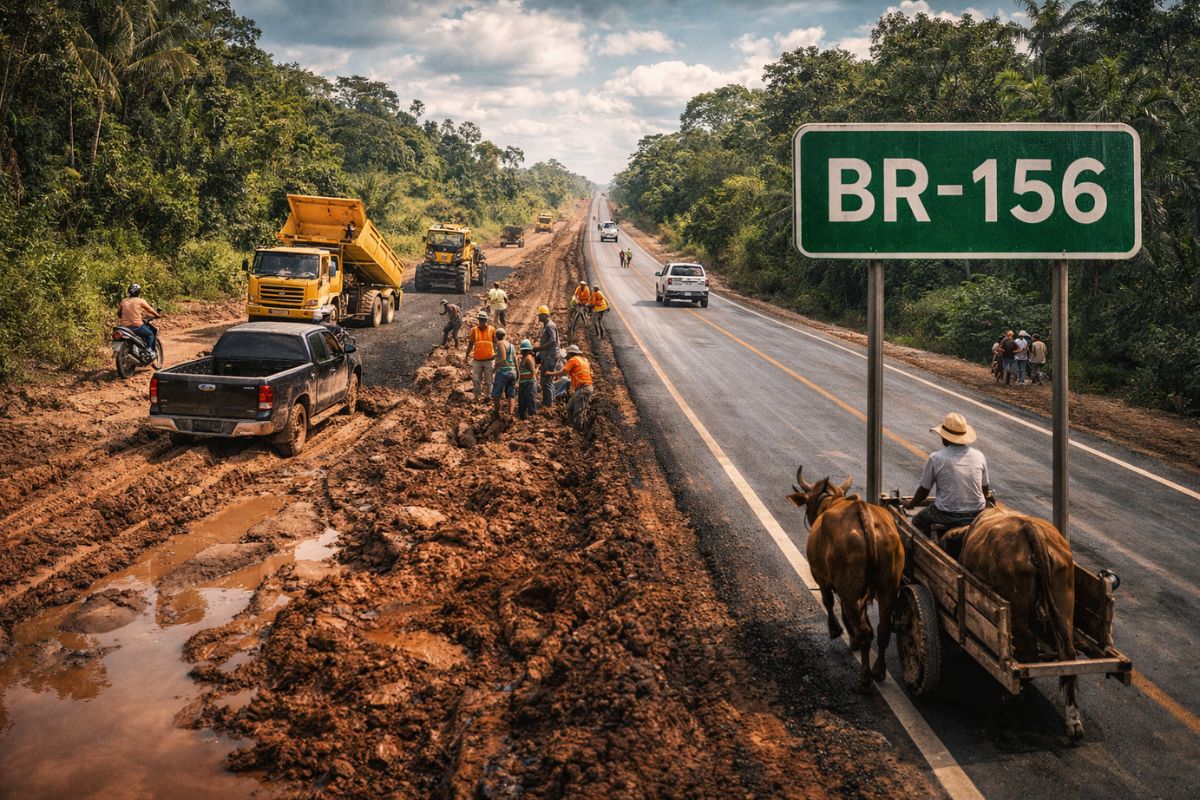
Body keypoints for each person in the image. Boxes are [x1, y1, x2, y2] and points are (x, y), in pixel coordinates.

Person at [904, 412, 991, 546]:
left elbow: (924, 491)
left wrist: (911, 504)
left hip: (947, 514)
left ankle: (926, 551)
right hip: (976, 513)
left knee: (917, 521)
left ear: (946, 438)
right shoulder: (979, 455)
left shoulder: (936, 458)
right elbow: (985, 489)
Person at [544, 344, 593, 422]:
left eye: (568, 355)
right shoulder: (584, 360)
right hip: (587, 387)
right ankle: (570, 425)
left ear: (571, 353)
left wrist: (550, 373)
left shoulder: (573, 360)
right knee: (570, 406)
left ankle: (577, 429)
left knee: (578, 410)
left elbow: (563, 372)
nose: (567, 358)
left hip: (583, 387)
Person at [117, 283, 160, 355]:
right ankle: (149, 350)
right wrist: (157, 315)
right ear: (139, 292)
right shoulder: (140, 301)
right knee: (150, 334)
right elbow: (150, 310)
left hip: (124, 327)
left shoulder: (123, 301)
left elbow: (119, 314)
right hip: (137, 326)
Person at [464, 311, 496, 403]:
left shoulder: (492, 329)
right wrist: (466, 356)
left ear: (486, 320)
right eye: (480, 320)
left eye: (483, 320)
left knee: (489, 380)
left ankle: (487, 396)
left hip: (489, 359)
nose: (481, 322)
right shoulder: (474, 330)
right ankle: (476, 397)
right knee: (476, 379)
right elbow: (470, 343)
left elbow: (496, 342)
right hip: (477, 360)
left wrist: (497, 354)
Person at [536, 304, 561, 408]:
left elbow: (552, 341)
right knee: (546, 380)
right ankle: (549, 401)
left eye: (539, 315)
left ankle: (548, 404)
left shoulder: (550, 326)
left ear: (544, 315)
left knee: (547, 381)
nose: (538, 317)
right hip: (548, 356)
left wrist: (539, 349)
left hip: (550, 357)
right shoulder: (547, 325)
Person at [492, 327, 518, 417]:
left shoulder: (500, 343)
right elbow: (515, 359)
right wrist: (517, 373)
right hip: (512, 371)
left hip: (503, 372)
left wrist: (496, 363)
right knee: (511, 394)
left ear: (496, 336)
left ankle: (497, 413)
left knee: (496, 394)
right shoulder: (511, 345)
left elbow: (503, 359)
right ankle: (511, 414)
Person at [517, 339, 538, 419]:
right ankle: (522, 418)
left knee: (530, 401)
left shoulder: (528, 358)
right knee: (522, 402)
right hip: (524, 383)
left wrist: (530, 382)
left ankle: (532, 419)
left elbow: (533, 372)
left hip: (529, 383)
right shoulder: (525, 358)